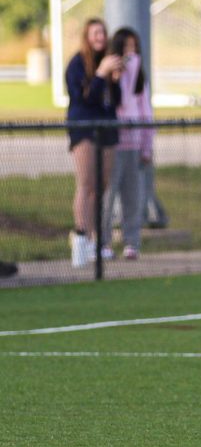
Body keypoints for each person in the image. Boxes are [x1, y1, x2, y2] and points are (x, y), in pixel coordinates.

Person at [65, 18, 121, 268]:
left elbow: (113, 101)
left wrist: (116, 79)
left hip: (107, 128)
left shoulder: (108, 62)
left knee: (102, 186)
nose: (100, 37)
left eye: (103, 32)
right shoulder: (78, 64)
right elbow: (86, 99)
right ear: (87, 37)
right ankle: (82, 236)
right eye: (95, 33)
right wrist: (100, 74)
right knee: (86, 183)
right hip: (85, 129)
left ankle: (97, 238)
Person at [102, 27, 154, 260]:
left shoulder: (139, 78)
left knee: (133, 196)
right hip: (113, 144)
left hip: (133, 144)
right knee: (108, 195)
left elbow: (145, 111)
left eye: (133, 48)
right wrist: (118, 76)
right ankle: (103, 242)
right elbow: (116, 103)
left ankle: (132, 241)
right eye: (125, 48)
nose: (129, 54)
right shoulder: (109, 76)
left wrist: (146, 144)